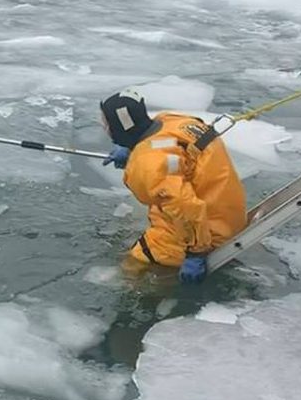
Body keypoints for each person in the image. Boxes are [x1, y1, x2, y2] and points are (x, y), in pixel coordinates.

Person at [100, 89, 247, 283]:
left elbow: (184, 205)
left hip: (207, 231)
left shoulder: (150, 163)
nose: (104, 127)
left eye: (106, 123)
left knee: (132, 269)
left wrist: (196, 252)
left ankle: (158, 291)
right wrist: (131, 147)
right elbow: (171, 147)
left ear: (120, 126)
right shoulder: (173, 121)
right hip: (226, 214)